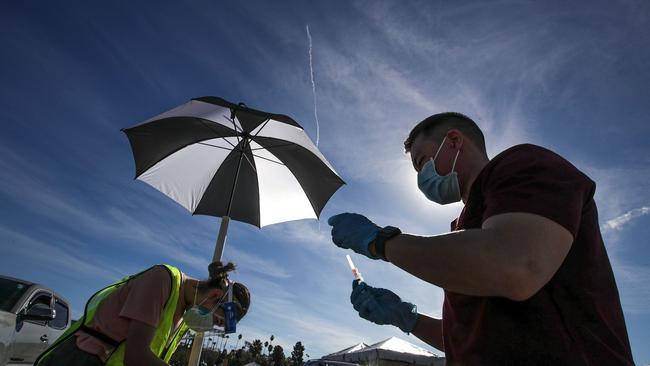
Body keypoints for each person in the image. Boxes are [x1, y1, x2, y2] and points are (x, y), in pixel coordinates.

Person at [328, 112, 634, 365]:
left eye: (422, 162)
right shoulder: (463, 229)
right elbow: (468, 340)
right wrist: (406, 318)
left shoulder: (523, 164)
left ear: (455, 141)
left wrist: (380, 242)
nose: (421, 177)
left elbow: (516, 266)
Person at [35, 261, 250, 366]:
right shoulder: (163, 280)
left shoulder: (184, 314)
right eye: (217, 319)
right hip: (83, 360)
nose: (210, 324)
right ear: (214, 296)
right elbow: (136, 355)